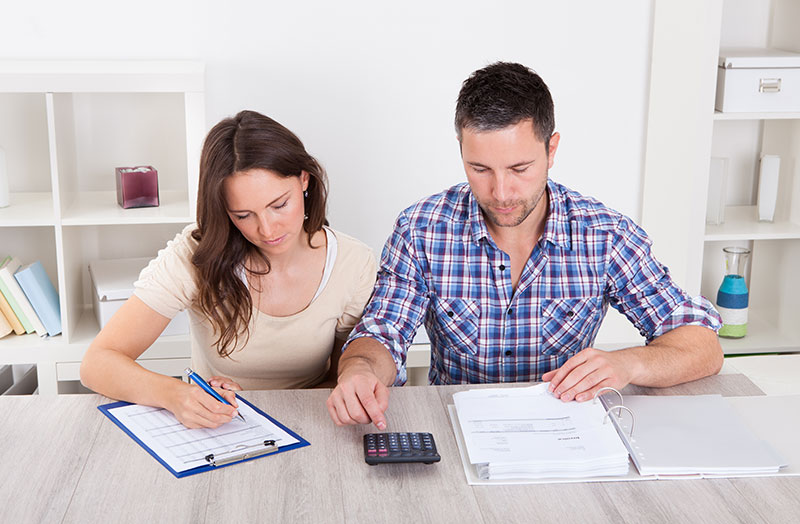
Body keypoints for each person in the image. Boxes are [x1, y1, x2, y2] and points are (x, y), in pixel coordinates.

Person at [326, 62, 723, 430]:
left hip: (567, 434)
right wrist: (359, 371)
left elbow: (702, 346)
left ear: (551, 150)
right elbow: (382, 333)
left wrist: (629, 363)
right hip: (459, 431)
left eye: (519, 169)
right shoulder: (422, 229)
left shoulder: (605, 235)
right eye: (479, 169)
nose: (501, 192)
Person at [81, 110, 377, 429]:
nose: (267, 229)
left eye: (279, 205)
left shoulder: (352, 262)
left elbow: (343, 374)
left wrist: (285, 410)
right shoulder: (195, 256)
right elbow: (97, 363)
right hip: (218, 429)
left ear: (305, 180)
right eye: (243, 215)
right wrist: (176, 395)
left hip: (312, 424)